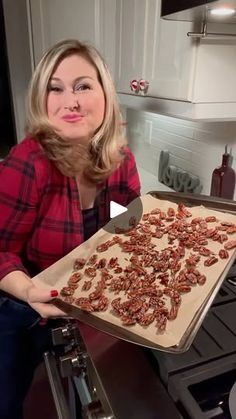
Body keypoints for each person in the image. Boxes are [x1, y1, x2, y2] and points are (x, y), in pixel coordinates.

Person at [0, 39, 140, 419]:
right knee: (8, 399)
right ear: (41, 100)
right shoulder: (28, 163)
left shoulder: (119, 159)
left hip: (82, 308)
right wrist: (27, 289)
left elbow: (126, 220)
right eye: (55, 88)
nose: (70, 101)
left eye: (82, 85)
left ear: (104, 94)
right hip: (21, 310)